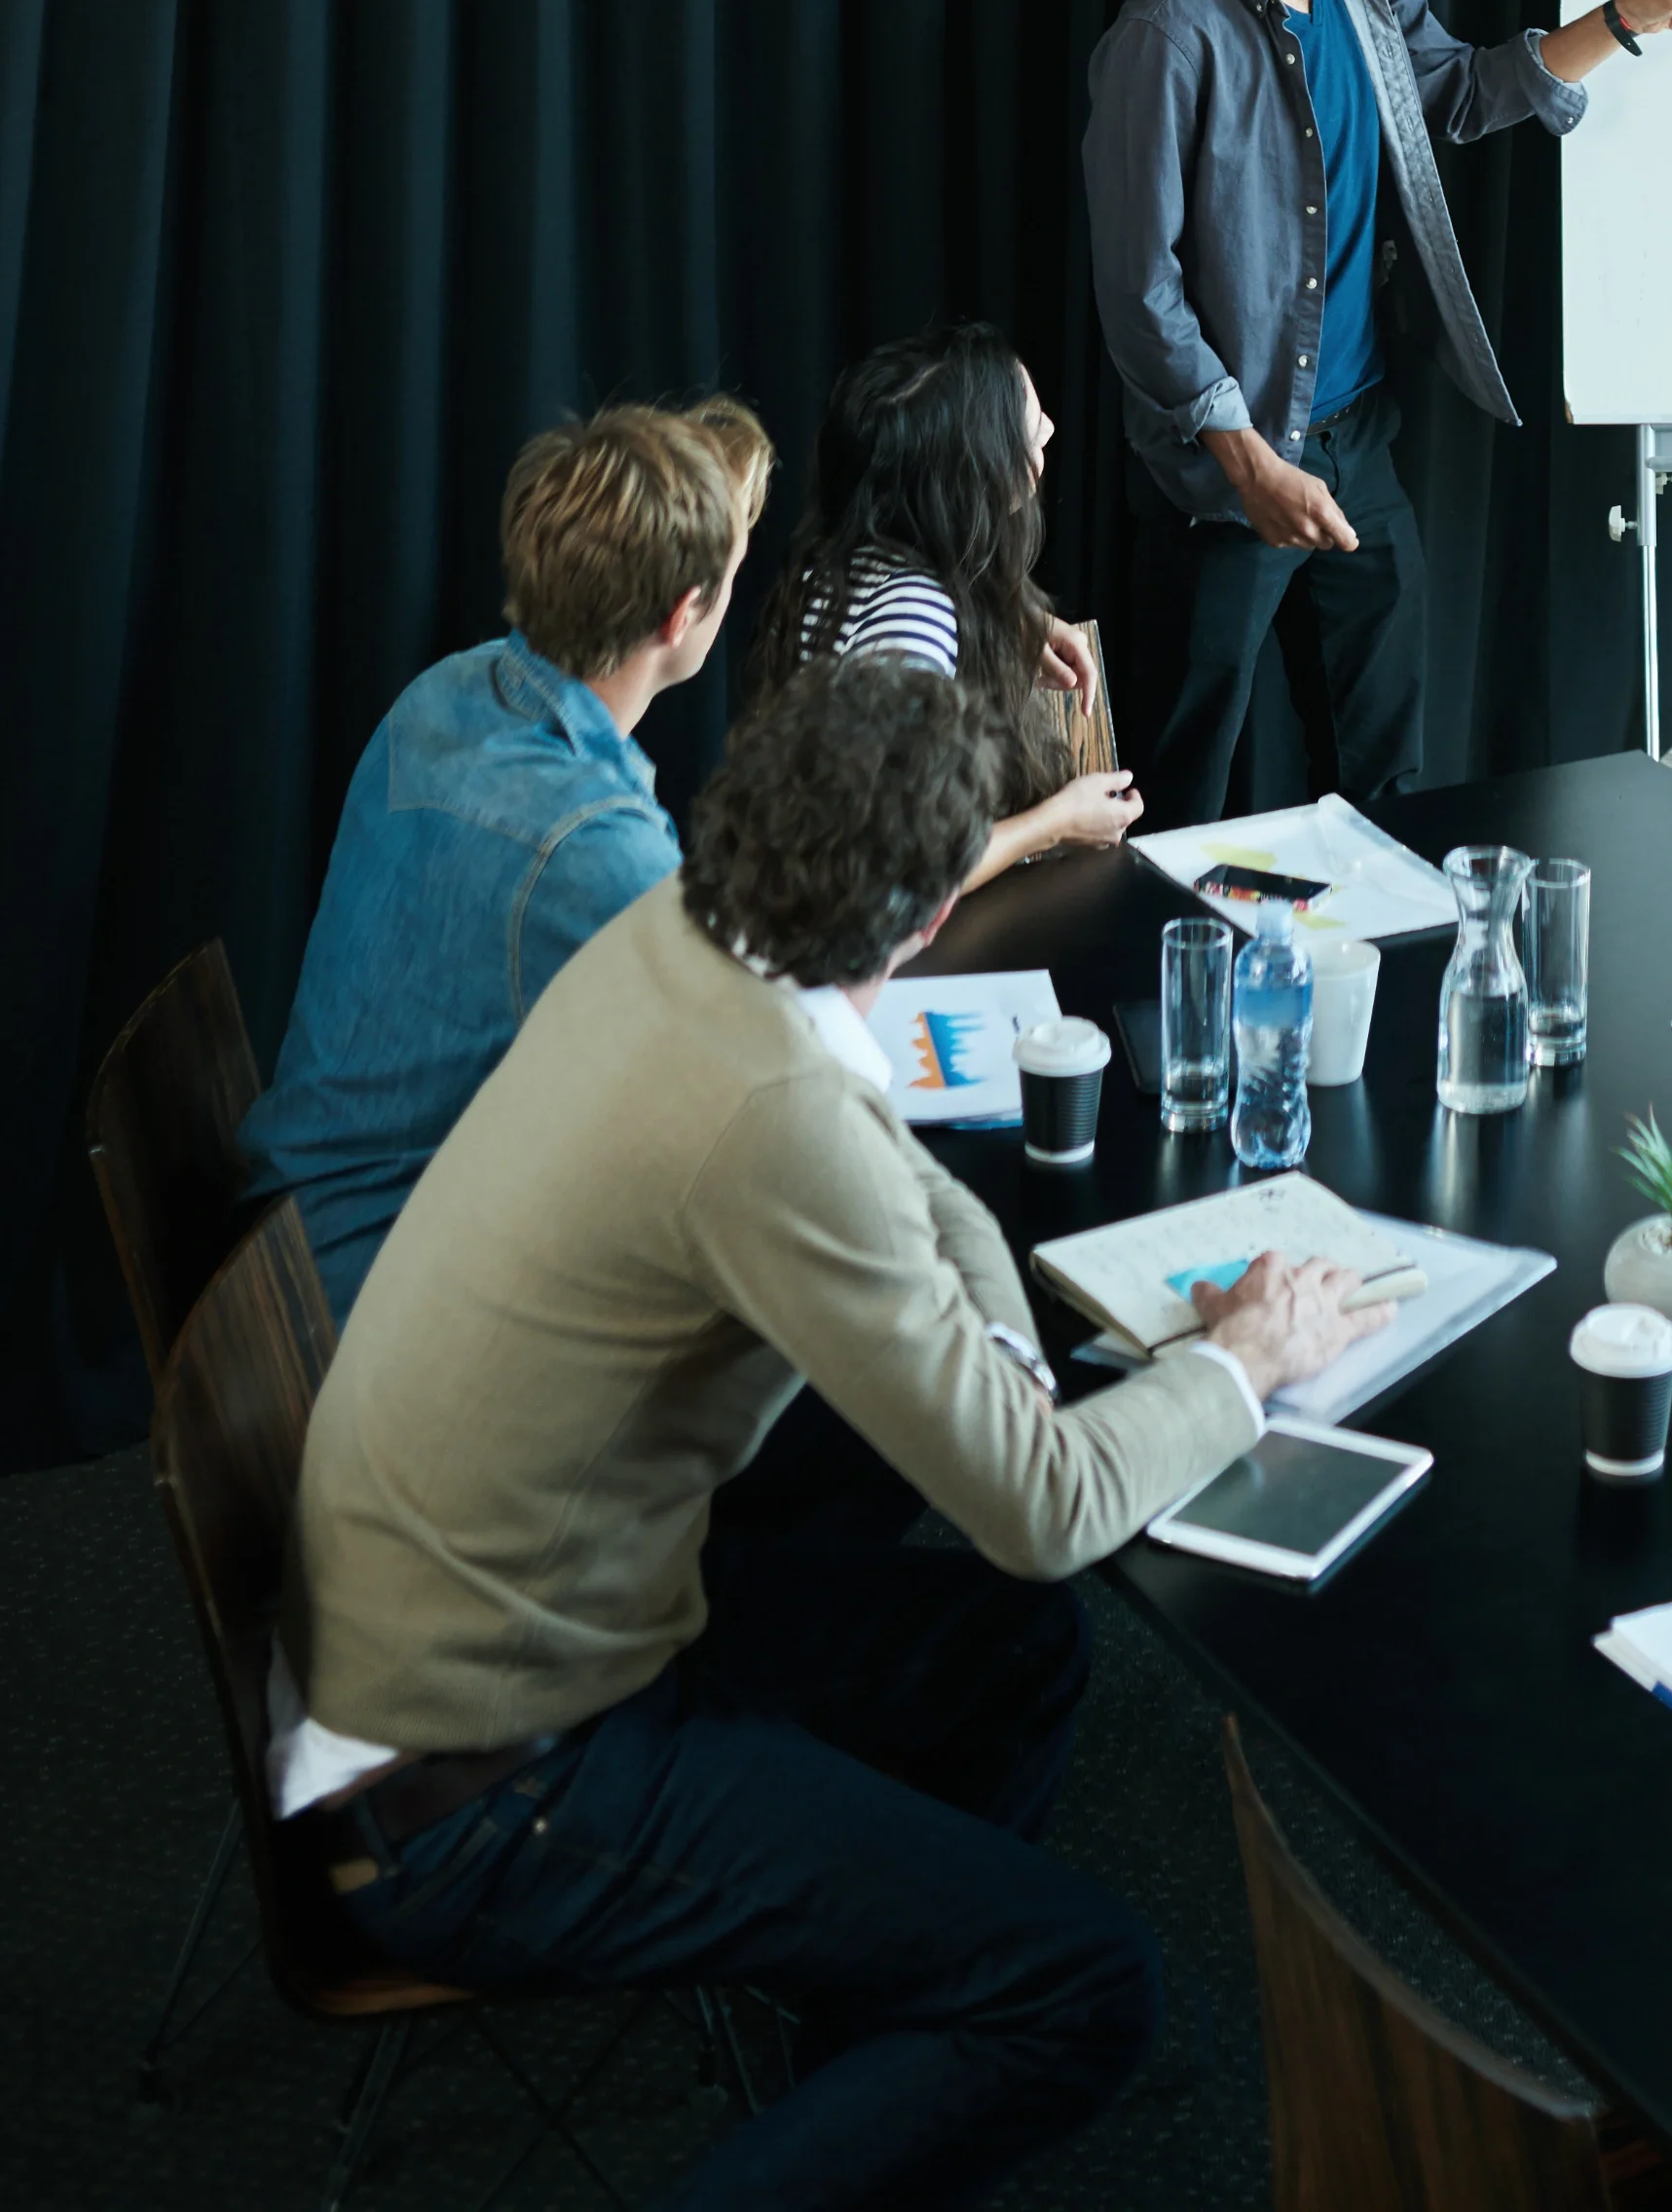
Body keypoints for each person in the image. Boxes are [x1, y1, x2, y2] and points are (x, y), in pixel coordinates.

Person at [275, 662, 1384, 2206]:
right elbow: (1046, 1509)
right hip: (485, 1782)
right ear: (933, 918)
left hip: (451, 1634)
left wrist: (997, 1346)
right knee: (1088, 1986)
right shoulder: (770, 1110)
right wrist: (1247, 1360)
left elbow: (897, 1167)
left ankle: (869, 2067)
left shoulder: (674, 935)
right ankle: (911, 2057)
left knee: (1018, 1651)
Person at [1085, 0, 1672, 827]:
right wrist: (1250, 468)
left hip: (1359, 449)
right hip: (1225, 488)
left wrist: (1633, 14)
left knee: (1390, 801)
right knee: (1172, 810)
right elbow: (1140, 293)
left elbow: (1459, 88)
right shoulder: (1169, 33)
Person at [240, 396, 773, 1322]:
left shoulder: (445, 693)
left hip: (284, 1236)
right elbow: (742, 1085)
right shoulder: (596, 847)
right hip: (367, 1305)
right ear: (683, 613)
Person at [753, 321, 1145, 883]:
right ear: (982, 472)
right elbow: (904, 874)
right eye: (1032, 431)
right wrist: (1056, 823)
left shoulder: (838, 567)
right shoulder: (916, 613)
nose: (1050, 436)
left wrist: (1004, 622)